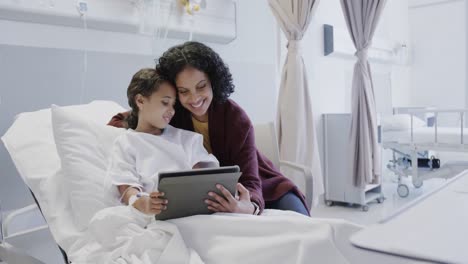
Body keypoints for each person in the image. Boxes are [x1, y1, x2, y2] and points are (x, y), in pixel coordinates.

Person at [109, 42, 309, 216]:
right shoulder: (173, 112)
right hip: (216, 193)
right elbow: (127, 118)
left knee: (304, 226)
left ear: (213, 81)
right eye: (183, 91)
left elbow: (250, 180)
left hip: (261, 184)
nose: (194, 98)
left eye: (201, 86)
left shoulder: (235, 118)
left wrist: (248, 206)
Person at [107, 68, 237, 216]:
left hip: (195, 211)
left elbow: (205, 178)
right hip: (155, 212)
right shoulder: (126, 142)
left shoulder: (187, 139)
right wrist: (143, 203)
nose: (172, 111)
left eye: (173, 105)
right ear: (140, 101)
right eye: (165, 103)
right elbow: (127, 186)